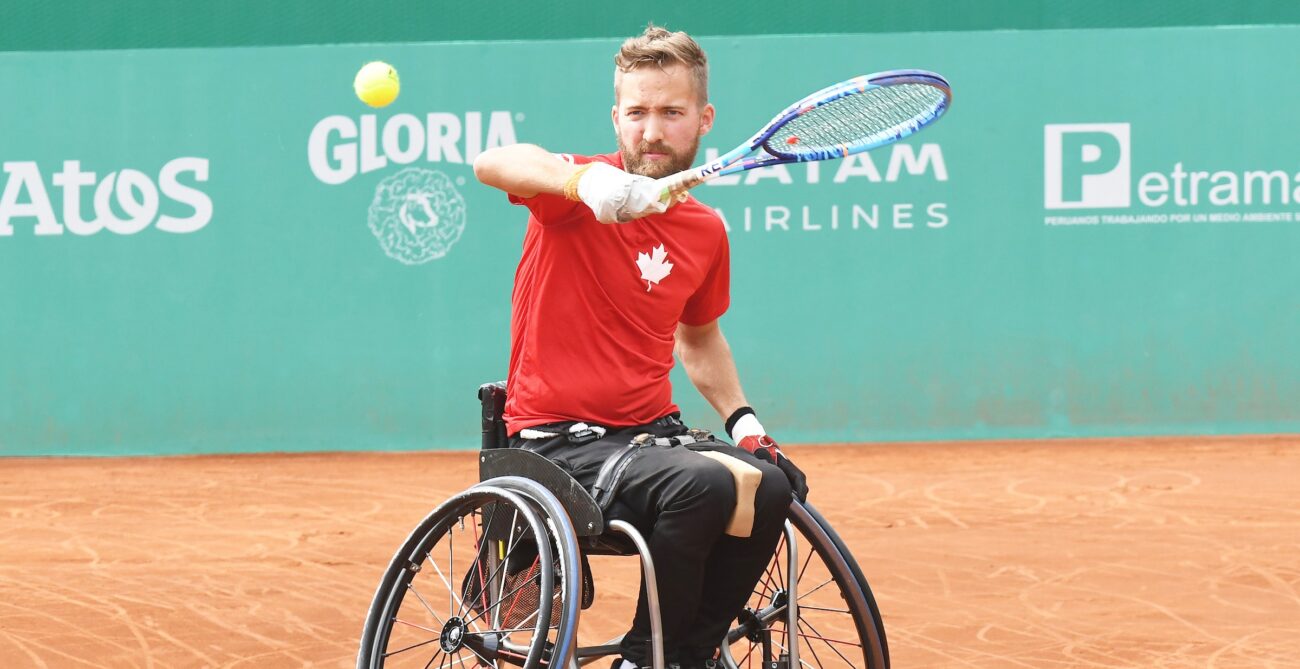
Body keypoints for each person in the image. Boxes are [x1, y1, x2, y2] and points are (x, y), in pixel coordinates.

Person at [473, 24, 809, 669]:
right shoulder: (574, 195)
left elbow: (701, 338)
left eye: (671, 113)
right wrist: (587, 186)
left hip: (652, 435)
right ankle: (645, 657)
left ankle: (684, 653)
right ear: (616, 118)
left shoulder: (704, 230)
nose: (651, 131)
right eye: (637, 113)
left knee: (767, 487)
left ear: (703, 119)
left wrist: (746, 425)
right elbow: (493, 163)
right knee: (702, 489)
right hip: (556, 443)